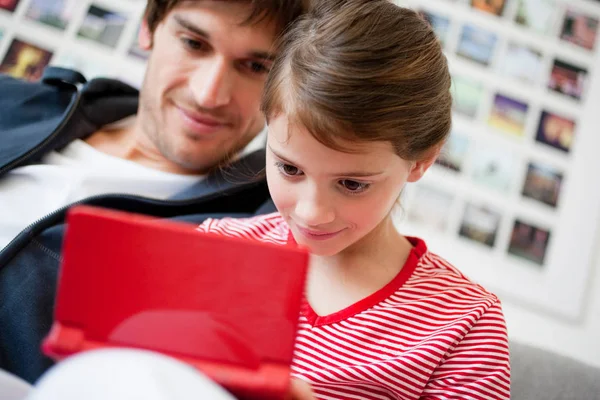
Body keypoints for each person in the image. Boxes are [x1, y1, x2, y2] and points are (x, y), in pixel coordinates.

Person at [197, 1, 511, 398]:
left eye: (351, 184)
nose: (311, 211)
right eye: (290, 169)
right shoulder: (214, 248)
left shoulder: (464, 324)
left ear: (421, 161)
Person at [0, 0, 306, 383]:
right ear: (148, 26)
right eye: (194, 43)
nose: (208, 94)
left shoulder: (263, 234)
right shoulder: (13, 101)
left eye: (256, 66)